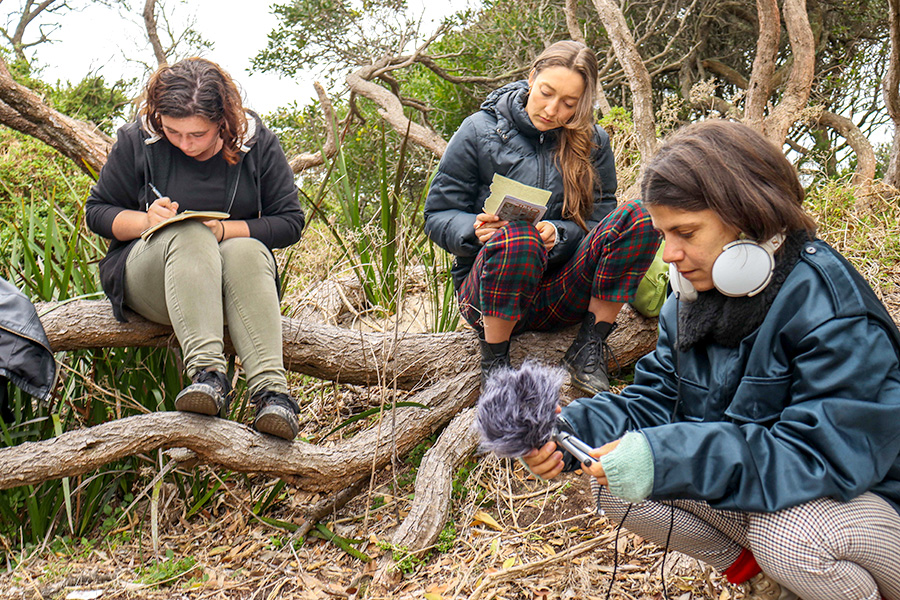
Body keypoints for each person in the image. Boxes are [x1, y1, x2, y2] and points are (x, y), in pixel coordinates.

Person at [523, 120, 900, 600]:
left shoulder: (830, 309)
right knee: (611, 480)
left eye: (685, 232)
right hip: (790, 497)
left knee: (791, 538)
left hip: (871, 512)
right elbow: (657, 402)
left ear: (748, 214)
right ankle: (769, 583)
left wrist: (666, 455)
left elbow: (817, 457)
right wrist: (573, 430)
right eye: (663, 234)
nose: (670, 254)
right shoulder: (689, 302)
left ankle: (813, 576)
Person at [86, 58, 305, 440]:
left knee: (247, 249)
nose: (185, 144)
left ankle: (273, 396)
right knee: (189, 235)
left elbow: (289, 222)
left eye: (197, 134)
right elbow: (98, 212)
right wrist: (145, 221)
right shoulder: (138, 139)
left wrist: (223, 230)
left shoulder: (257, 141)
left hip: (233, 287)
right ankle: (208, 377)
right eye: (174, 132)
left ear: (223, 121)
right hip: (153, 280)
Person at [424, 40, 659, 393]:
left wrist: (559, 233)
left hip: (560, 293)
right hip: (489, 293)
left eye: (569, 104)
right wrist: (472, 230)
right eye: (546, 93)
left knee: (639, 216)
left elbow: (601, 221)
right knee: (519, 236)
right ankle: (495, 363)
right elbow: (438, 214)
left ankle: (589, 348)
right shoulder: (478, 130)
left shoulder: (594, 141)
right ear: (531, 77)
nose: (552, 110)